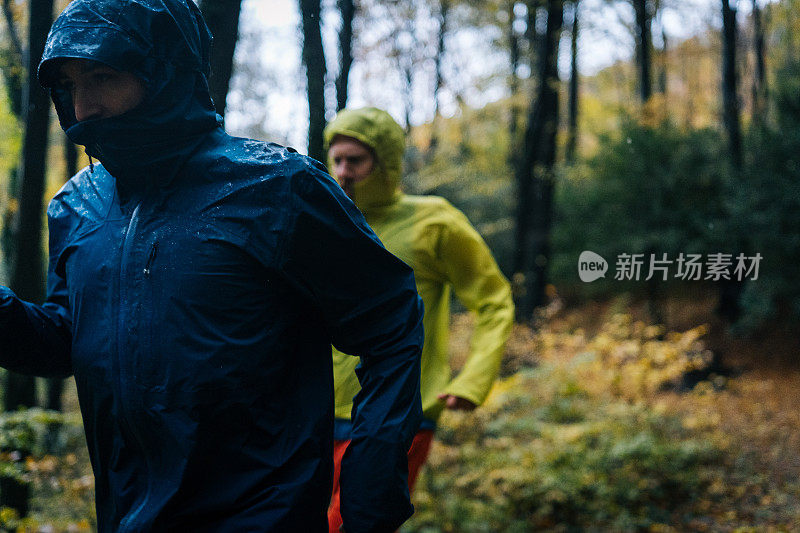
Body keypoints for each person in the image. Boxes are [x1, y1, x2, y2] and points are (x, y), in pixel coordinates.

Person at [0, 1, 425, 531]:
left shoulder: (277, 189)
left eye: (102, 76)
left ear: (165, 69)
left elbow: (391, 325)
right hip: (126, 518)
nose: (82, 107)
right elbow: (68, 343)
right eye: (68, 83)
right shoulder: (75, 206)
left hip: (264, 518)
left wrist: (370, 493)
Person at [324, 107, 515, 532]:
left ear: (386, 163)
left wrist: (473, 379)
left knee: (352, 524)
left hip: (400, 410)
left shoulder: (435, 221)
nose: (344, 172)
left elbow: (494, 301)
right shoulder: (326, 220)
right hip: (318, 407)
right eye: (336, 160)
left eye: (356, 160)